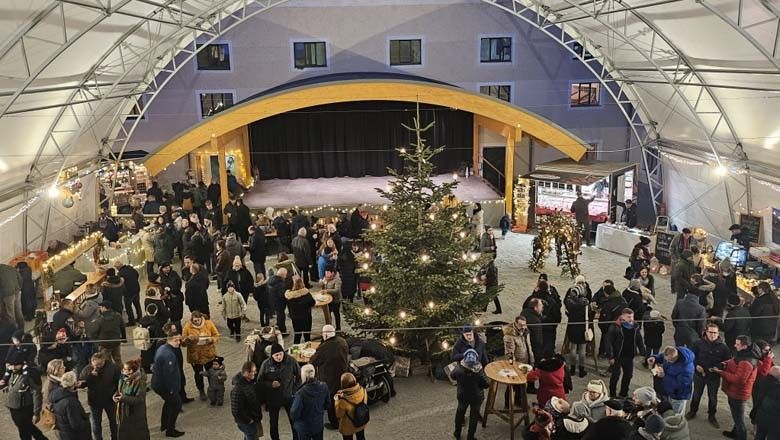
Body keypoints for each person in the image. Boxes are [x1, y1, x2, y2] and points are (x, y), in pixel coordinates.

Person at [712, 335, 761, 440]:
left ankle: (741, 437)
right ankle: (735, 433)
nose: (735, 345)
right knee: (737, 417)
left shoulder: (746, 362)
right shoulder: (745, 354)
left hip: (738, 394)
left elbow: (738, 380)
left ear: (744, 346)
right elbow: (734, 360)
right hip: (736, 391)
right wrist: (726, 363)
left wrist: (721, 372)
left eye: (738, 344)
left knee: (739, 420)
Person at [687, 322, 730, 426]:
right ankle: (692, 412)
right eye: (710, 332)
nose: (713, 335)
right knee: (696, 394)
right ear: (706, 332)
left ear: (718, 333)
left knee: (713, 397)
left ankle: (712, 416)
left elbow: (727, 362)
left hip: (714, 377)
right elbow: (691, 357)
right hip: (699, 375)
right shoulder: (698, 343)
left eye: (715, 333)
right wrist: (696, 365)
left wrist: (718, 367)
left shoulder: (723, 347)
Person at [309, 325, 349, 429]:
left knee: (331, 400)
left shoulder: (325, 347)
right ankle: (343, 415)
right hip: (342, 375)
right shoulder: (342, 341)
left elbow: (313, 361)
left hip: (330, 378)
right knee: (340, 398)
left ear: (325, 335)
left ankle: (334, 423)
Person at [258, 343, 301, 440]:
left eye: (281, 354)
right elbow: (259, 381)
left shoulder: (291, 361)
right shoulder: (266, 364)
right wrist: (270, 384)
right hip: (273, 399)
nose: (279, 357)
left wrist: (293, 391)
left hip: (288, 397)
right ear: (272, 355)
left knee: (294, 421)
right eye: (276, 355)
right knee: (273, 423)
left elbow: (299, 377)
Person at [2, 353, 47, 440]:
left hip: (24, 408)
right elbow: (13, 383)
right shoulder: (12, 372)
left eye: (16, 365)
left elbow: (37, 394)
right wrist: (10, 388)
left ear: (22, 364)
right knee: (25, 427)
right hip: (13, 407)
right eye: (12, 365)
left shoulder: (29, 375)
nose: (14, 367)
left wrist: (36, 413)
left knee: (24, 430)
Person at [151, 327, 185, 437]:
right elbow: (169, 375)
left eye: (179, 340)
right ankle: (170, 429)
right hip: (165, 386)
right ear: (169, 340)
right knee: (176, 404)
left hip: (158, 384)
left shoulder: (163, 348)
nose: (179, 342)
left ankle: (164, 424)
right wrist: (172, 390)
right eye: (176, 340)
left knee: (168, 402)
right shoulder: (168, 355)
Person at [78, 353, 120, 440]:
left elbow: (119, 382)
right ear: (92, 362)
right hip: (95, 401)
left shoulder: (113, 368)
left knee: (114, 421)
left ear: (104, 361)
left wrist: (116, 393)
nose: (96, 367)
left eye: (99, 364)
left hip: (110, 400)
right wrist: (90, 375)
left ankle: (115, 438)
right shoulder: (88, 369)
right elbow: (81, 383)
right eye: (95, 365)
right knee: (96, 423)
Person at [605, 308, 646, 398]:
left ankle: (623, 394)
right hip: (618, 356)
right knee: (615, 376)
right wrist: (610, 356)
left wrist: (643, 351)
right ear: (623, 316)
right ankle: (612, 394)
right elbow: (608, 342)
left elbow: (639, 339)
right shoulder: (615, 327)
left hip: (629, 355)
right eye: (628, 317)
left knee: (628, 376)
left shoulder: (635, 326)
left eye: (632, 317)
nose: (631, 319)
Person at [181, 311, 220, 401]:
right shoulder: (187, 326)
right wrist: (188, 339)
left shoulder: (208, 323)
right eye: (195, 321)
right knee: (198, 374)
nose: (197, 322)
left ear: (201, 318)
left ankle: (212, 388)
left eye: (198, 320)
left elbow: (216, 335)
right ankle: (201, 390)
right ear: (192, 320)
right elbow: (183, 343)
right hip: (195, 356)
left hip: (208, 354)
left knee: (211, 372)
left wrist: (211, 339)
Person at [451, 348, 489, 440]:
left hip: (462, 395)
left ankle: (457, 433)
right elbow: (486, 384)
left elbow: (452, 376)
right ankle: (470, 437)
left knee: (460, 413)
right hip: (476, 397)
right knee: (474, 416)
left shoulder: (458, 368)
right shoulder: (478, 371)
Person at [647, 346, 695, 414]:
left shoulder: (686, 369)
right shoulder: (671, 354)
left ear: (675, 358)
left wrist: (664, 376)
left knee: (676, 415)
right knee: (667, 412)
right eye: (666, 360)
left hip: (678, 396)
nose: (667, 362)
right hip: (668, 391)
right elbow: (662, 356)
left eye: (669, 360)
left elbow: (681, 384)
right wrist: (655, 358)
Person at [524, 275, 563, 356]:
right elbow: (558, 318)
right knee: (548, 354)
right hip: (549, 331)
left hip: (535, 330)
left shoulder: (531, 299)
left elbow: (524, 312)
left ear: (538, 287)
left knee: (537, 352)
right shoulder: (552, 301)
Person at [291, 364, 330, 440]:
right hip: (318, 424)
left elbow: (294, 412)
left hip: (304, 427)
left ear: (303, 376)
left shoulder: (300, 393)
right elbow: (328, 404)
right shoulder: (324, 386)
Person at [114, 358, 150, 440]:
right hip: (124, 412)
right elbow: (120, 389)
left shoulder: (140, 382)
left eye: (125, 369)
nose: (122, 370)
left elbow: (139, 399)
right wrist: (115, 395)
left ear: (131, 371)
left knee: (138, 434)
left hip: (136, 414)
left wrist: (123, 398)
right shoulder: (124, 378)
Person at [565, 275, 592, 378]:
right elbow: (590, 313)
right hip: (583, 326)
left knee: (573, 348)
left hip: (572, 325)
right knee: (582, 349)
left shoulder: (569, 302)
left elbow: (567, 310)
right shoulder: (586, 303)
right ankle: (581, 370)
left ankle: (572, 369)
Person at [503, 315, 534, 407]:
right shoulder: (510, 335)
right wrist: (513, 365)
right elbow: (510, 352)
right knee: (512, 384)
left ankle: (519, 401)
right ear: (516, 323)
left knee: (522, 384)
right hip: (516, 363)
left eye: (524, 325)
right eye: (521, 325)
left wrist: (531, 360)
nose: (523, 327)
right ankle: (507, 404)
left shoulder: (525, 331)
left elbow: (528, 345)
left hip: (525, 362)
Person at [51, 371, 91, 440]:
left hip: (65, 433)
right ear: (74, 383)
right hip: (75, 436)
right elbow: (76, 424)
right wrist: (86, 421)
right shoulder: (70, 402)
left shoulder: (57, 395)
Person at [232, 360, 262, 440]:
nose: (255, 373)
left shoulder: (249, 382)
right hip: (247, 422)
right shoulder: (238, 390)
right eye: (253, 371)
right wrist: (249, 421)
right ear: (246, 372)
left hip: (252, 419)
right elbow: (236, 411)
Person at [335, 372, 368, 440]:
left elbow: (339, 414)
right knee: (361, 437)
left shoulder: (342, 400)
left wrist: (336, 400)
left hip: (348, 427)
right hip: (361, 421)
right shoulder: (363, 390)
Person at [285, 276, 315, 344]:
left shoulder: (289, 296)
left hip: (295, 318)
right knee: (307, 336)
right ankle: (308, 349)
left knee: (297, 335)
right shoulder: (306, 294)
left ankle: (295, 348)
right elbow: (313, 303)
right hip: (306, 317)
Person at [755, 366, 780, 440]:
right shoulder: (775, 385)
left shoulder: (765, 383)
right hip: (775, 421)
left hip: (762, 415)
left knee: (759, 436)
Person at [114, 260, 141, 327]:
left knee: (128, 307)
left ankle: (131, 321)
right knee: (137, 303)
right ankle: (140, 317)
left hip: (128, 292)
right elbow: (137, 274)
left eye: (116, 267)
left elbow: (121, 283)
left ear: (118, 267)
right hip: (136, 288)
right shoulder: (130, 268)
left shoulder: (120, 273)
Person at [522, 298, 545, 363]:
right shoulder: (535, 321)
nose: (542, 307)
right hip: (533, 348)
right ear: (535, 308)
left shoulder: (524, 312)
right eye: (540, 306)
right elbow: (538, 340)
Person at [267, 268, 289, 334]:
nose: (286, 277)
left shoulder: (271, 280)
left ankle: (278, 326)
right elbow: (282, 295)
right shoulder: (280, 284)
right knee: (281, 317)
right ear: (283, 275)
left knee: (279, 316)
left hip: (272, 301)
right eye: (285, 275)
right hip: (279, 303)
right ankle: (282, 331)